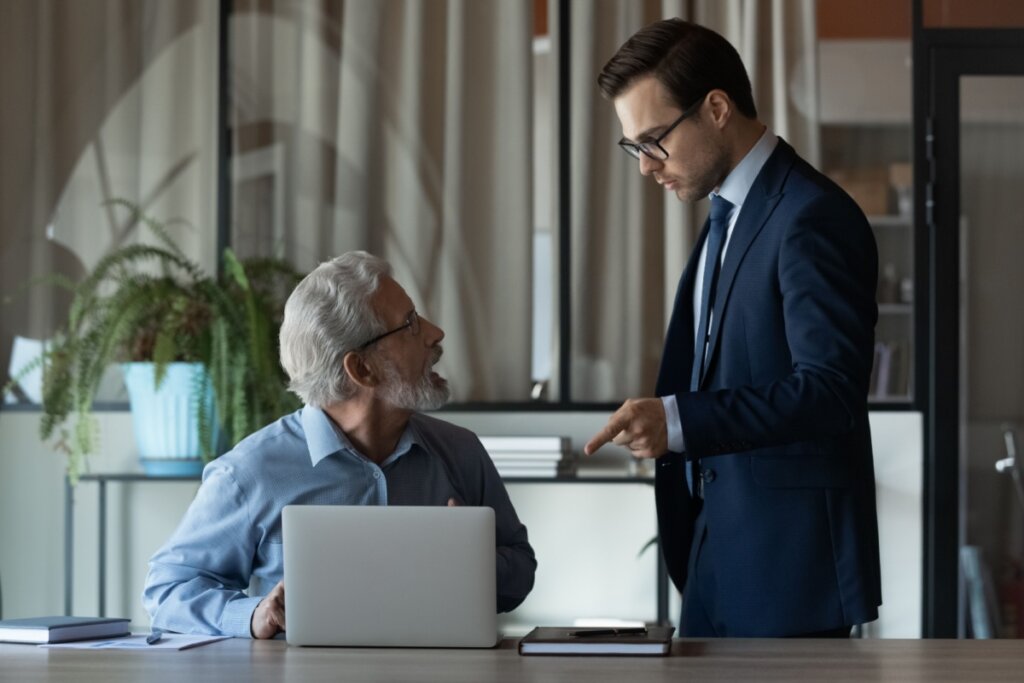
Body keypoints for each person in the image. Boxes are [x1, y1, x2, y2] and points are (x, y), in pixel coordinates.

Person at [584, 18, 881, 638]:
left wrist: (679, 421)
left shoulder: (812, 216)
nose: (645, 167)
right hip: (715, 556)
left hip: (788, 575)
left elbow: (830, 391)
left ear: (716, 108)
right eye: (633, 147)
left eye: (653, 140)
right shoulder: (729, 216)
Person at [142, 251, 537, 638]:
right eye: (411, 324)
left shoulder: (461, 452)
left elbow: (520, 573)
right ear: (361, 368)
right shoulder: (248, 473)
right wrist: (254, 613)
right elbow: (167, 590)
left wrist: (474, 563)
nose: (435, 333)